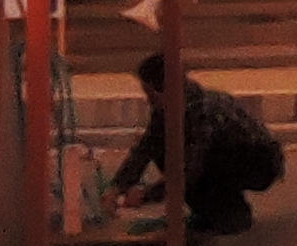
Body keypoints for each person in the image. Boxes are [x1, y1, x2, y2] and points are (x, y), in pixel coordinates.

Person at [116, 48, 287, 236]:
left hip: (258, 161)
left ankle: (229, 214)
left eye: (150, 94)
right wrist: (119, 185)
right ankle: (212, 213)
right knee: (164, 150)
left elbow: (190, 168)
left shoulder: (203, 111)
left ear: (164, 90)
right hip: (227, 156)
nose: (149, 101)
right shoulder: (166, 108)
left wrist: (147, 194)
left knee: (196, 163)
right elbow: (147, 145)